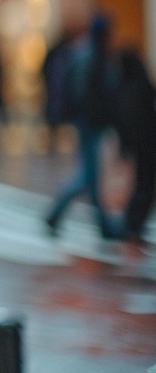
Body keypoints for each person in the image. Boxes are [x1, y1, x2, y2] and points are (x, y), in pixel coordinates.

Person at [44, 12, 124, 240]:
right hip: (90, 122)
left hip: (87, 121)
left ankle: (96, 223)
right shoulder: (93, 56)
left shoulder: (84, 52)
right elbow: (90, 93)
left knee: (89, 174)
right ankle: (66, 216)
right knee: (89, 175)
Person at [112, 48, 155, 243]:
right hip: (146, 143)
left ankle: (133, 223)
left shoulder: (124, 86)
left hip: (138, 144)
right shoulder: (139, 86)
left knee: (142, 183)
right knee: (144, 184)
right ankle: (133, 224)